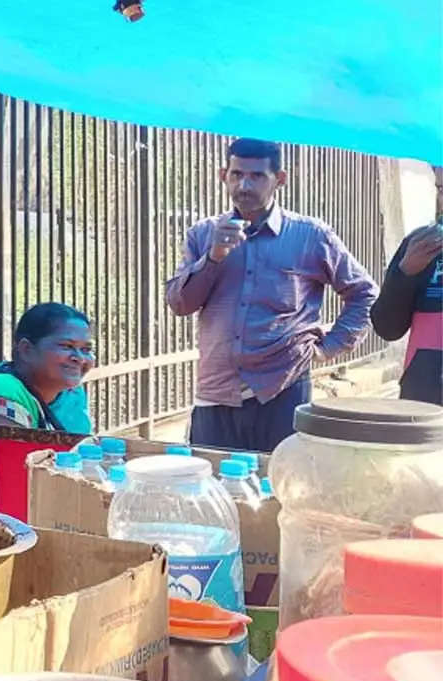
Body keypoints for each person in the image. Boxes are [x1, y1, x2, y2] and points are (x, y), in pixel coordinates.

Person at [166, 138, 378, 452]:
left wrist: (328, 348)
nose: (244, 185)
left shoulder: (310, 235)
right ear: (223, 175)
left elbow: (364, 294)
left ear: (279, 179)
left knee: (282, 489)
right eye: (237, 175)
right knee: (216, 490)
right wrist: (213, 257)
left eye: (256, 176)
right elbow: (180, 304)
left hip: (283, 390)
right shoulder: (203, 234)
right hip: (216, 392)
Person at [0, 303, 95, 434]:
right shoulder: (3, 388)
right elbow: (8, 461)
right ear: (26, 349)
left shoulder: (72, 394)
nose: (80, 358)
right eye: (67, 346)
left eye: (86, 350)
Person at [372, 165, 443, 405]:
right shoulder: (420, 244)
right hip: (423, 405)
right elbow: (387, 328)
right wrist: (405, 274)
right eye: (442, 190)